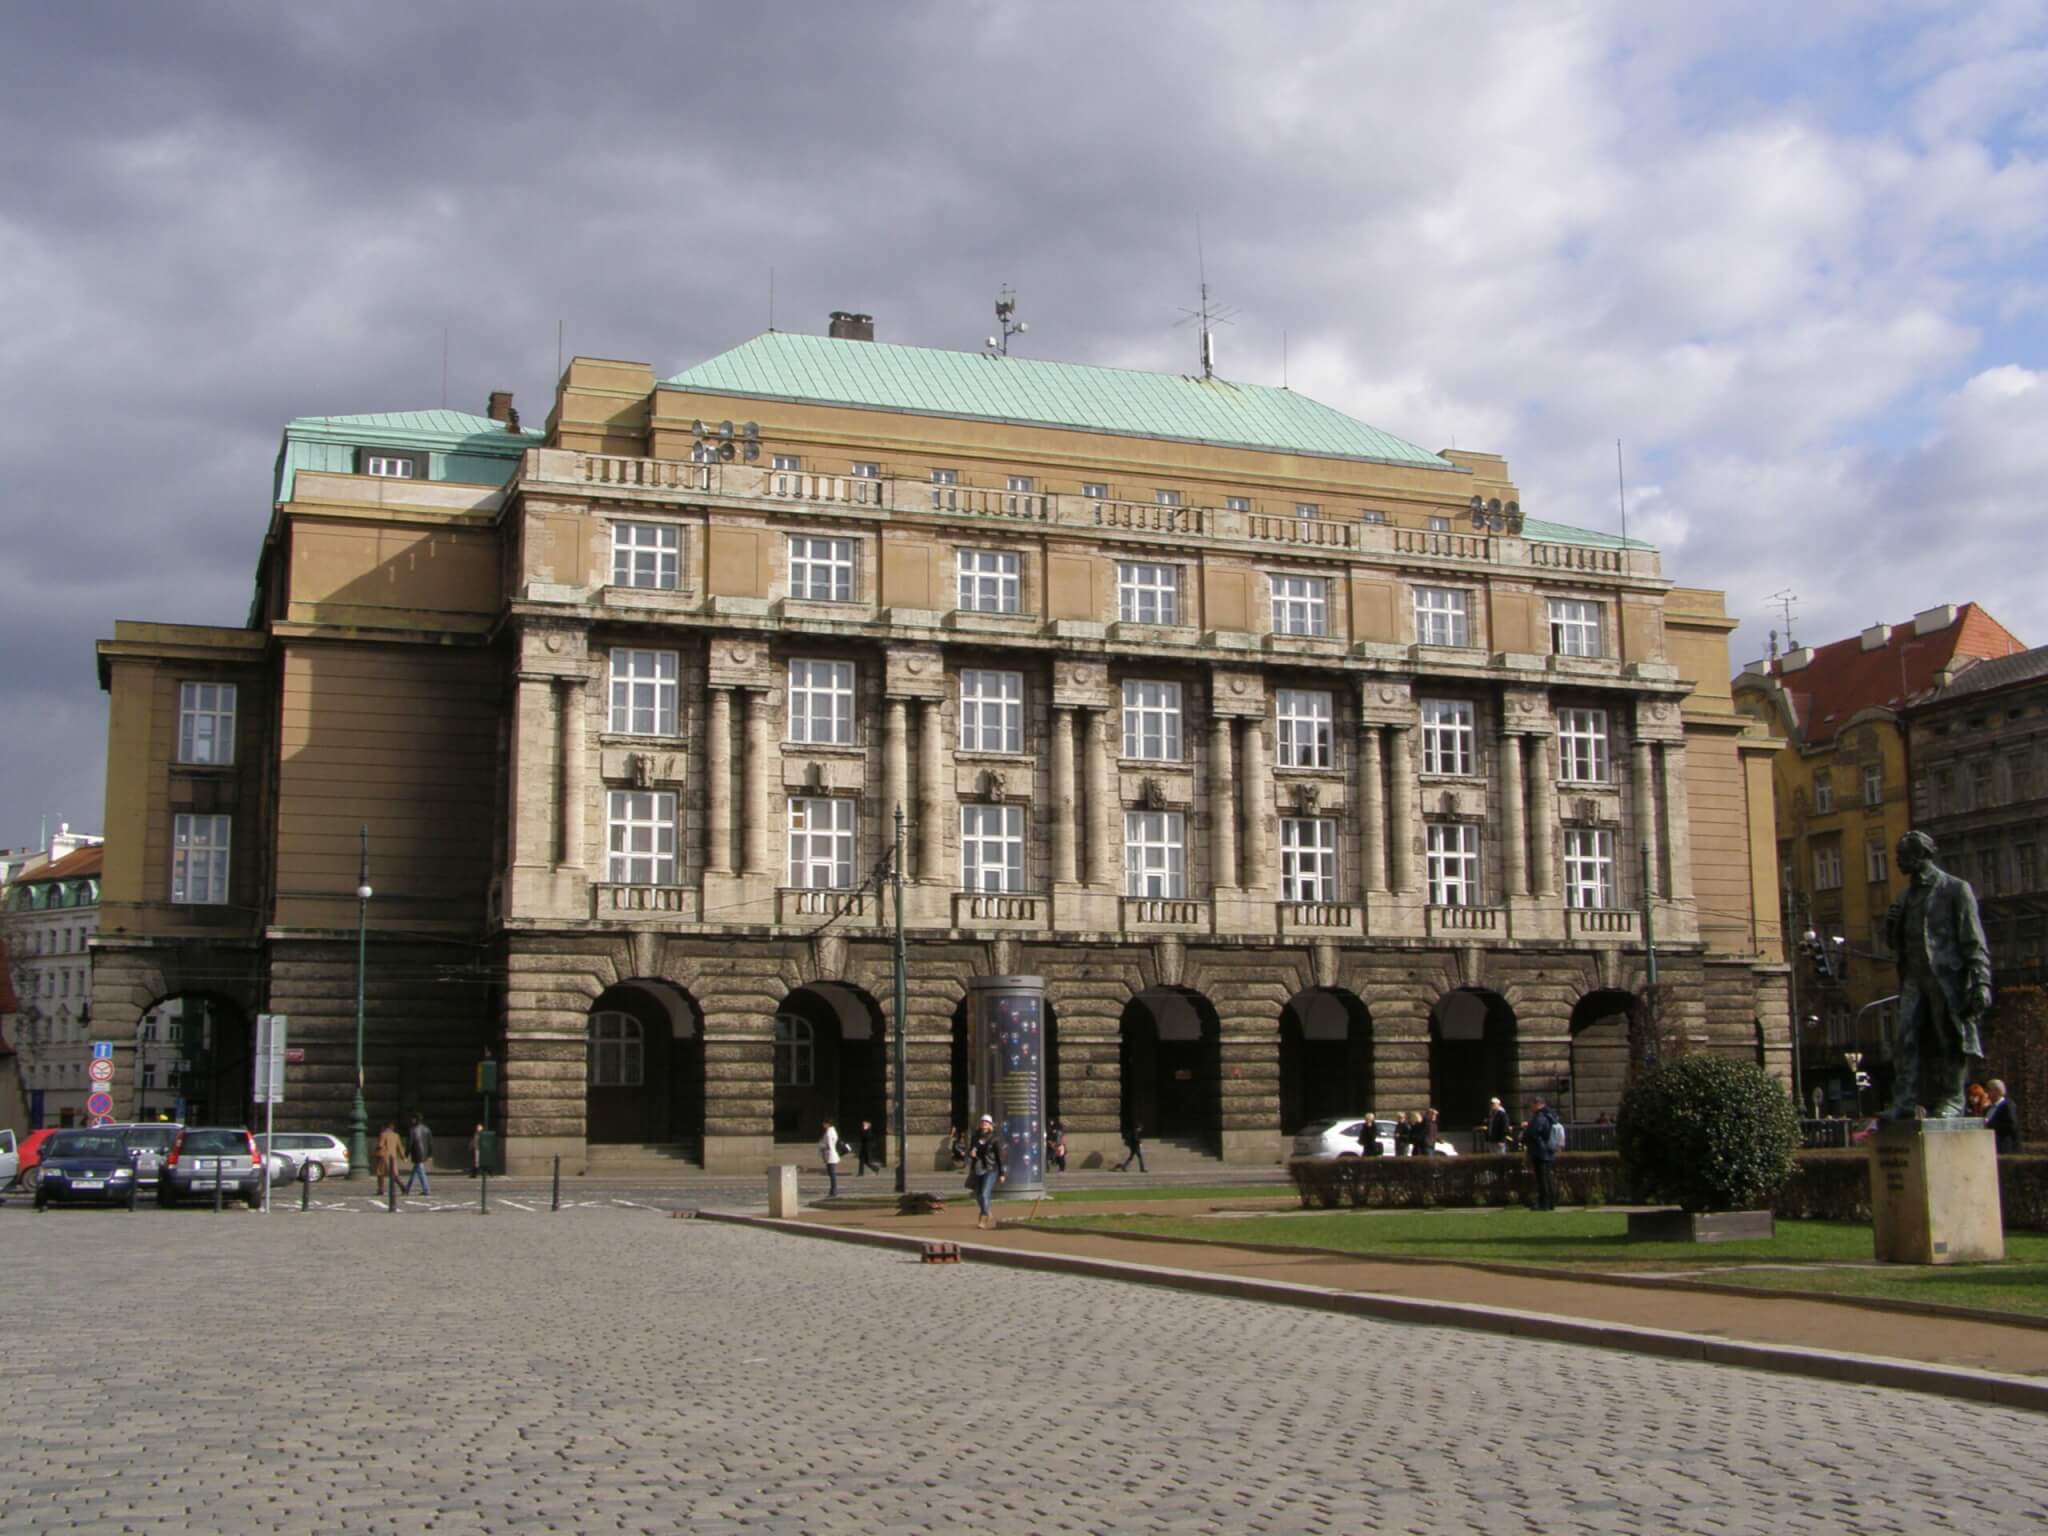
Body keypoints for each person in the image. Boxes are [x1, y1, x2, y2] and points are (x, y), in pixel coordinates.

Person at [1884, 830, 1993, 1119]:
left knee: (1950, 1038)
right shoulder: (1905, 896)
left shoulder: (1955, 889)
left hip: (1947, 978)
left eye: (1903, 856)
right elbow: (1898, 943)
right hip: (1914, 978)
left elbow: (1973, 940)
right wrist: (1891, 927)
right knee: (1905, 1038)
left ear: (1922, 856)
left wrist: (1981, 981)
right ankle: (1904, 1101)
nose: (1897, 861)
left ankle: (1953, 1099)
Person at [966, 1112, 1006, 1228]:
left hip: (990, 1169)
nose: (984, 1123)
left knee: (984, 1194)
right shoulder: (975, 1137)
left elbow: (999, 1157)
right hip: (978, 1169)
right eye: (982, 1121)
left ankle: (983, 1217)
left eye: (986, 1122)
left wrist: (1002, 1173)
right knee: (978, 1195)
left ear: (990, 1125)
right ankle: (988, 1211)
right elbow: (971, 1151)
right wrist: (971, 1153)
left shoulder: (994, 1139)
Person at [1525, 1097, 1561, 1211]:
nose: (1530, 1108)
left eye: (1532, 1105)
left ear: (1538, 1104)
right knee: (1546, 1178)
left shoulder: (1540, 1117)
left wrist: (1524, 1135)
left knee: (1542, 1179)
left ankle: (1544, 1203)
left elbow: (1533, 1132)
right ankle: (1550, 1202)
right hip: (1547, 1151)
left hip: (1540, 1151)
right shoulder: (1549, 1115)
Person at [1984, 1079, 2022, 1154]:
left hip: (2004, 1148)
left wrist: (1990, 1125)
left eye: (1989, 1090)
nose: (1987, 1093)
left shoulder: (2008, 1105)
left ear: (1997, 1091)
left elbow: (2012, 1125)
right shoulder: (1988, 1108)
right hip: (1990, 1147)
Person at [404, 1114, 433, 1197]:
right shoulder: (427, 1129)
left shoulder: (412, 1130)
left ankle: (426, 1189)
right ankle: (407, 1189)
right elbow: (430, 1143)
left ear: (415, 1119)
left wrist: (406, 1155)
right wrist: (430, 1154)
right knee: (416, 1171)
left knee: (420, 1172)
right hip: (424, 1153)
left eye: (412, 1119)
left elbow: (409, 1144)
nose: (411, 1120)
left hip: (417, 1153)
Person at [373, 1121, 402, 1196]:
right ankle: (402, 1186)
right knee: (394, 1174)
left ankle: (381, 1189)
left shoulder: (383, 1134)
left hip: (383, 1156)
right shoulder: (396, 1135)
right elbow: (399, 1147)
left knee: (380, 1173)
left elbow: (380, 1145)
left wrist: (375, 1150)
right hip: (393, 1156)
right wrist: (403, 1157)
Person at [818, 1119, 842, 1198]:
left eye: (824, 1123)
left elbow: (828, 1145)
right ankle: (832, 1191)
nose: (823, 1125)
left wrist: (822, 1146)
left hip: (830, 1154)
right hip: (830, 1154)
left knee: (832, 1174)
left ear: (828, 1124)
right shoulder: (832, 1131)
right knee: (831, 1174)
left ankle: (834, 1191)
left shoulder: (829, 1132)